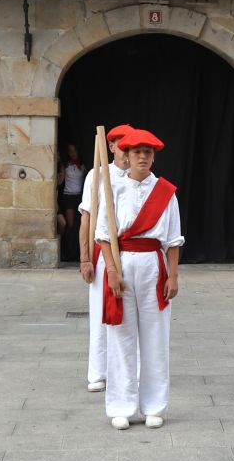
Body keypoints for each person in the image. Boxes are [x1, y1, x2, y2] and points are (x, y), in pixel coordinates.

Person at [95, 130, 183, 429]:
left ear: (154, 156)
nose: (142, 157)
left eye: (147, 152)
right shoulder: (113, 189)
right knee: (121, 336)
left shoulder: (166, 192)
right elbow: (104, 236)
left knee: (155, 337)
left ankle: (154, 405)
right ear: (127, 156)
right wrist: (111, 271)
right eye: (136, 152)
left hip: (153, 267)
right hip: (123, 264)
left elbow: (172, 240)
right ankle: (121, 404)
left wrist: (173, 275)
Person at [78, 125, 134, 391]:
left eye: (130, 145)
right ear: (111, 147)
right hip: (103, 251)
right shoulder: (97, 175)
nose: (126, 151)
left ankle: (127, 369)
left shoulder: (142, 176)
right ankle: (98, 372)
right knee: (101, 312)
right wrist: (84, 258)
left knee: (131, 313)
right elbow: (86, 218)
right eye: (121, 145)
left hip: (134, 254)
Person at [58, 142, 86, 242]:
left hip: (80, 197)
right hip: (68, 196)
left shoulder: (83, 164)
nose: (73, 153)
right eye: (70, 151)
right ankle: (66, 246)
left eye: (74, 150)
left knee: (80, 224)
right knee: (70, 224)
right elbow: (60, 181)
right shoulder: (65, 165)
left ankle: (76, 248)